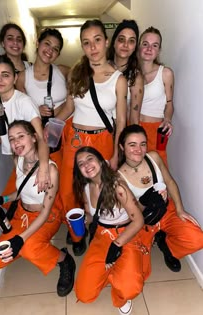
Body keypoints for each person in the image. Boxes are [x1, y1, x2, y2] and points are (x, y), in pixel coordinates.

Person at [56, 19, 127, 256]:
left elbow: (122, 121)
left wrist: (117, 153)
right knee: (69, 190)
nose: (93, 47)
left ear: (106, 42)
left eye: (97, 40)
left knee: (100, 188)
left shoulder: (119, 79)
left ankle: (99, 227)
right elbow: (67, 109)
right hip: (75, 138)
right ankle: (77, 233)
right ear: (82, 46)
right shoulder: (77, 73)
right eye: (86, 43)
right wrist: (45, 122)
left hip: (103, 140)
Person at [0, 120, 76, 297]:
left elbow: (46, 211)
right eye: (12, 139)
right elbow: (21, 191)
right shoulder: (19, 160)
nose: (16, 142)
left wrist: (20, 239)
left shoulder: (50, 170)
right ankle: (27, 245)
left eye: (21, 136)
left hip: (46, 217)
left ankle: (65, 260)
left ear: (34, 138)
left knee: (28, 247)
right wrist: (1, 199)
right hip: (21, 215)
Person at [118, 124, 203, 277]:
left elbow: (169, 182)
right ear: (122, 147)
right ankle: (152, 239)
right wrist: (146, 200)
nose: (139, 149)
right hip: (142, 221)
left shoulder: (154, 157)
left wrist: (179, 209)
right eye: (132, 144)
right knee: (140, 272)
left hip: (166, 210)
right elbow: (131, 213)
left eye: (142, 144)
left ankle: (168, 247)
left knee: (197, 239)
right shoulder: (118, 178)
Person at [73, 146, 145, 315]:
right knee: (84, 295)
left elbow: (138, 220)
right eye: (81, 163)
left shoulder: (117, 186)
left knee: (129, 289)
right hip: (101, 235)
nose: (86, 165)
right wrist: (84, 219)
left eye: (90, 159)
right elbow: (93, 216)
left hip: (126, 234)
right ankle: (115, 272)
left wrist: (117, 245)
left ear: (100, 161)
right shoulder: (85, 188)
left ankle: (119, 287)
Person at [0, 55, 50, 201]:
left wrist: (44, 167)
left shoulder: (24, 101)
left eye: (5, 75)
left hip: (35, 156)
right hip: (16, 159)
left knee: (41, 194)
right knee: (26, 194)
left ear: (14, 79)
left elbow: (40, 137)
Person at [16, 28, 69, 169]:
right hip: (43, 133)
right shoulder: (22, 77)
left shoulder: (64, 71)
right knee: (51, 168)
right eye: (47, 44)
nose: (50, 50)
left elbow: (75, 99)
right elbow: (22, 110)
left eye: (56, 49)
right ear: (38, 43)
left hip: (67, 128)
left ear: (58, 54)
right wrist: (36, 110)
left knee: (68, 171)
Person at [138, 26, 174, 165]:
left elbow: (170, 104)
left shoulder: (165, 73)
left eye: (155, 45)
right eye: (145, 44)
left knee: (158, 174)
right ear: (139, 46)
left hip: (155, 130)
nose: (149, 49)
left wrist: (167, 119)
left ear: (159, 50)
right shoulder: (129, 74)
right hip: (132, 128)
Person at [108, 19, 144, 124]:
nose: (126, 45)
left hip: (119, 131)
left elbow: (134, 119)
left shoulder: (135, 77)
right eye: (121, 39)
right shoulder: (101, 68)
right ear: (114, 42)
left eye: (131, 41)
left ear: (135, 47)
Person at [0, 23, 31, 96]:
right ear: (2, 43)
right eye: (10, 38)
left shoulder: (32, 67)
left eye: (19, 39)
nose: (15, 42)